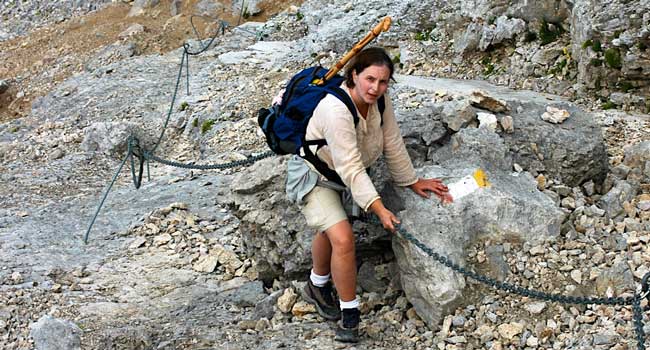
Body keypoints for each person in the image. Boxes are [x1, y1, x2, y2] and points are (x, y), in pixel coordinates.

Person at [285, 47, 452, 342]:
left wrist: (411, 181)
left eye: (383, 81)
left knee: (330, 231)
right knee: (343, 239)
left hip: (343, 175)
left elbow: (392, 142)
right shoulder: (336, 110)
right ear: (354, 75)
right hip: (317, 175)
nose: (376, 88)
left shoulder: (380, 102)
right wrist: (378, 208)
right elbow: (350, 167)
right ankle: (350, 315)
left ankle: (316, 285)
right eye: (370, 79)